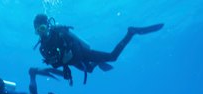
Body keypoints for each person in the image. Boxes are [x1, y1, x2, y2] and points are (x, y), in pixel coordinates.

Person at [33, 14, 164, 85]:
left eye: (43, 28)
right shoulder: (42, 49)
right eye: (38, 30)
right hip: (74, 62)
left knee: (113, 57)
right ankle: (96, 63)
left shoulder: (60, 33)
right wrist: (63, 61)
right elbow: (54, 65)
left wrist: (68, 53)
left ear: (48, 26)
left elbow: (76, 44)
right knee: (89, 69)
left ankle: (131, 32)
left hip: (83, 54)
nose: (41, 33)